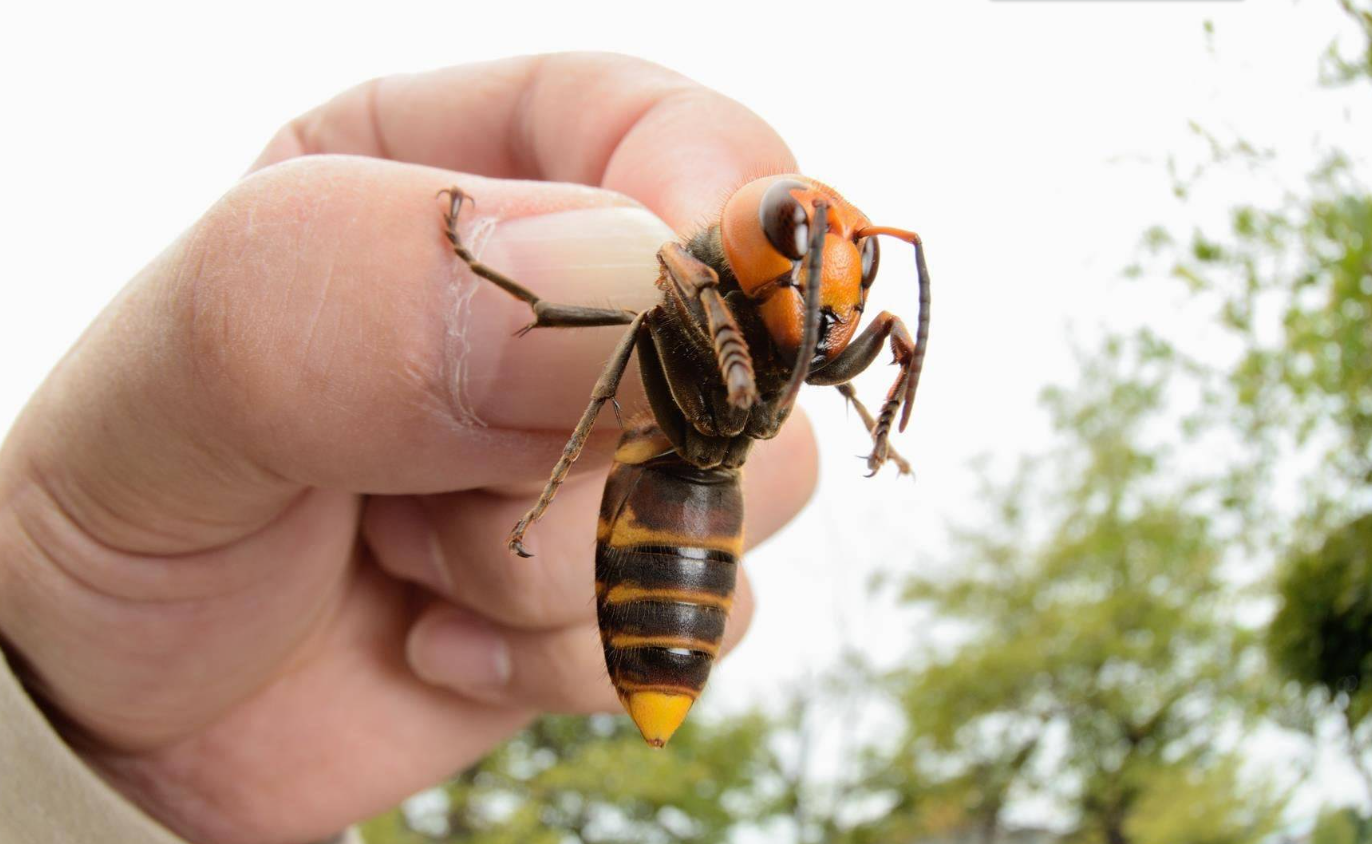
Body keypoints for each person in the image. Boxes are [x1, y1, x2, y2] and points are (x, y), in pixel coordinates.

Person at [0, 53, 817, 844]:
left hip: (690, 509)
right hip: (671, 509)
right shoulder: (684, 275)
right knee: (634, 320)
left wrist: (113, 790)